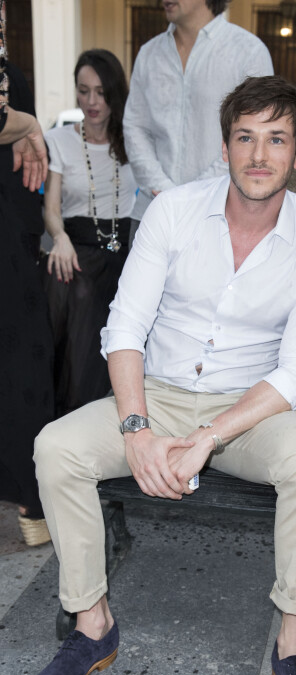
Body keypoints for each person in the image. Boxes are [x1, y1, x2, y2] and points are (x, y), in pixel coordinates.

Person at [21, 76, 296, 675]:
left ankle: (292, 648)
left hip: (247, 409)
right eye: (245, 137)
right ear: (224, 147)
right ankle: (91, 623)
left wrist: (207, 440)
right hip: (156, 393)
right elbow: (125, 326)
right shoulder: (173, 211)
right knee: (57, 447)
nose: (259, 154)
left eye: (276, 139)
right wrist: (136, 430)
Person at [123, 0, 273, 232]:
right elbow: (135, 128)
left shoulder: (248, 51)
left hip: (219, 220)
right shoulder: (149, 53)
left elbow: (254, 137)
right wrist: (164, 191)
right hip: (152, 214)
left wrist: (190, 196)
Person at [43, 50, 136, 417]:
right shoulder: (60, 140)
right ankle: (72, 414)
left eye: (101, 92)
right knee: (74, 290)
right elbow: (51, 209)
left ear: (115, 93)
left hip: (125, 252)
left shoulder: (134, 140)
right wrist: (60, 238)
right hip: (77, 246)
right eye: (83, 91)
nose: (92, 102)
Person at [0, 0, 54, 547]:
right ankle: (32, 504)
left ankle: (33, 502)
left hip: (12, 244)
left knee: (25, 365)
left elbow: (29, 173)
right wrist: (26, 122)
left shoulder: (12, 77)